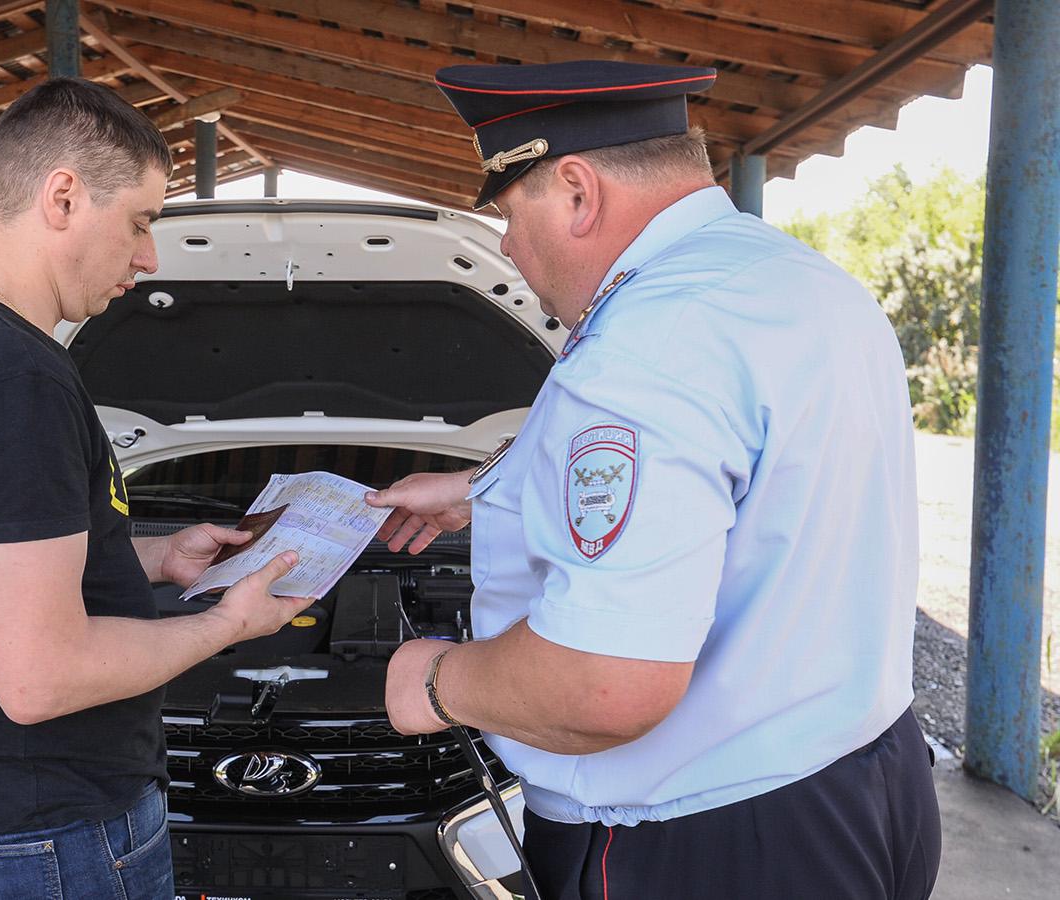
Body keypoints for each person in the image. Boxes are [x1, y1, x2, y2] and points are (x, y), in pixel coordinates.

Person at [367, 60, 940, 899]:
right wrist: (486, 490)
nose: (510, 248)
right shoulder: (798, 282)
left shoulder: (644, 343)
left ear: (577, 191)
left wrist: (433, 681)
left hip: (707, 844)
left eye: (510, 216)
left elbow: (604, 683)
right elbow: (751, 472)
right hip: (864, 774)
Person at [0, 78, 311, 899]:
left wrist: (157, 558)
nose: (150, 257)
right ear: (63, 197)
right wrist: (227, 624)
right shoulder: (10, 379)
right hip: (52, 832)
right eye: (140, 221)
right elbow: (42, 678)